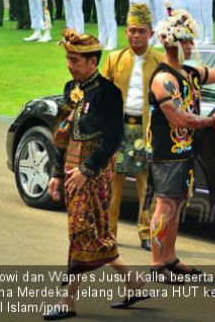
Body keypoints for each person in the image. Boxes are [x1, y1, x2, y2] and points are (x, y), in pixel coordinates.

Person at [43, 29, 151, 320]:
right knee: (88, 233)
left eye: (75, 59)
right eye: (68, 58)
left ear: (93, 61)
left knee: (82, 232)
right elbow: (61, 134)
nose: (69, 64)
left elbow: (114, 139)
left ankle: (68, 301)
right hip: (72, 169)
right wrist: (56, 172)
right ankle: (132, 280)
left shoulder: (108, 93)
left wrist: (87, 170)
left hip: (95, 172)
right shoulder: (71, 88)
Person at [147, 8, 215, 282]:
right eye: (185, 41)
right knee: (165, 205)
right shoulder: (163, 78)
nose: (190, 45)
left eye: (190, 40)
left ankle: (170, 258)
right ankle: (156, 264)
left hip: (186, 151)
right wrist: (212, 121)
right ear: (170, 42)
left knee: (177, 204)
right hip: (166, 153)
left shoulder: (189, 72)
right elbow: (179, 118)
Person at [102, 3, 163, 252]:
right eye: (131, 30)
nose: (135, 35)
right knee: (113, 185)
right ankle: (109, 232)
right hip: (119, 129)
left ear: (151, 33)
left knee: (146, 186)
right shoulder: (115, 58)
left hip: (146, 130)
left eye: (140, 31)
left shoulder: (160, 61)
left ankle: (147, 233)